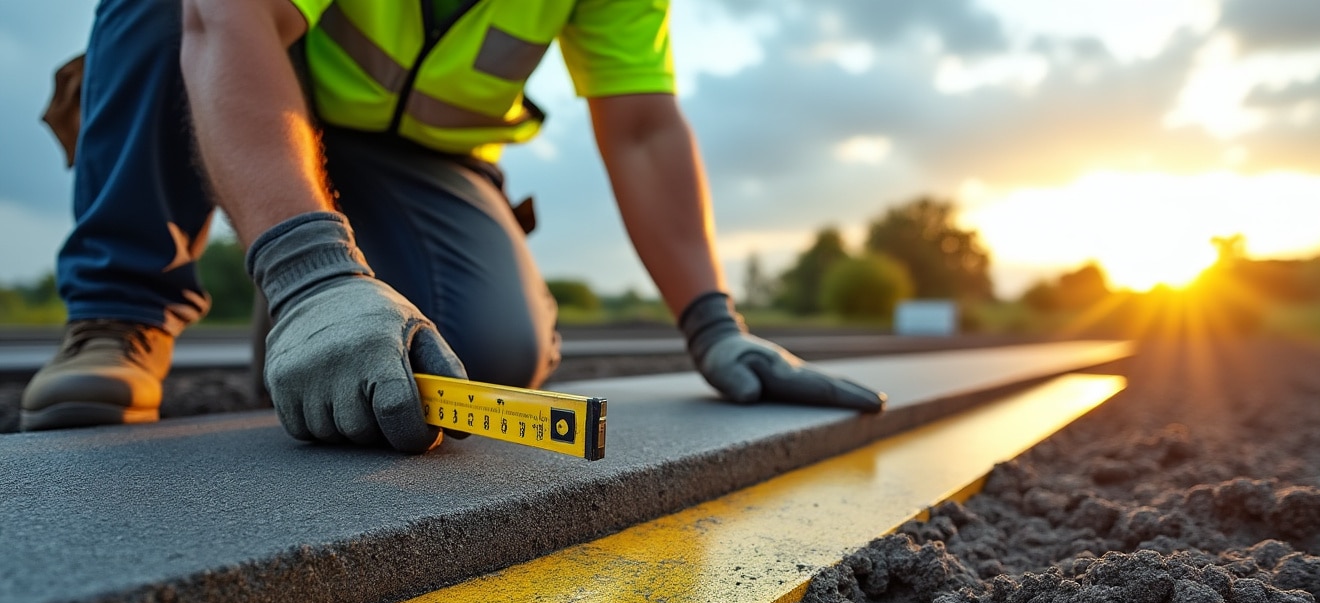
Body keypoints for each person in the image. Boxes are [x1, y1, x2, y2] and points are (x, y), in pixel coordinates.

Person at [22, 0, 886, 452]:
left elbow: (643, 130)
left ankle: (321, 323)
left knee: (471, 363)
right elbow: (226, 17)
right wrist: (309, 276)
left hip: (421, 161)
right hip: (257, 78)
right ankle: (119, 318)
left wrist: (714, 324)